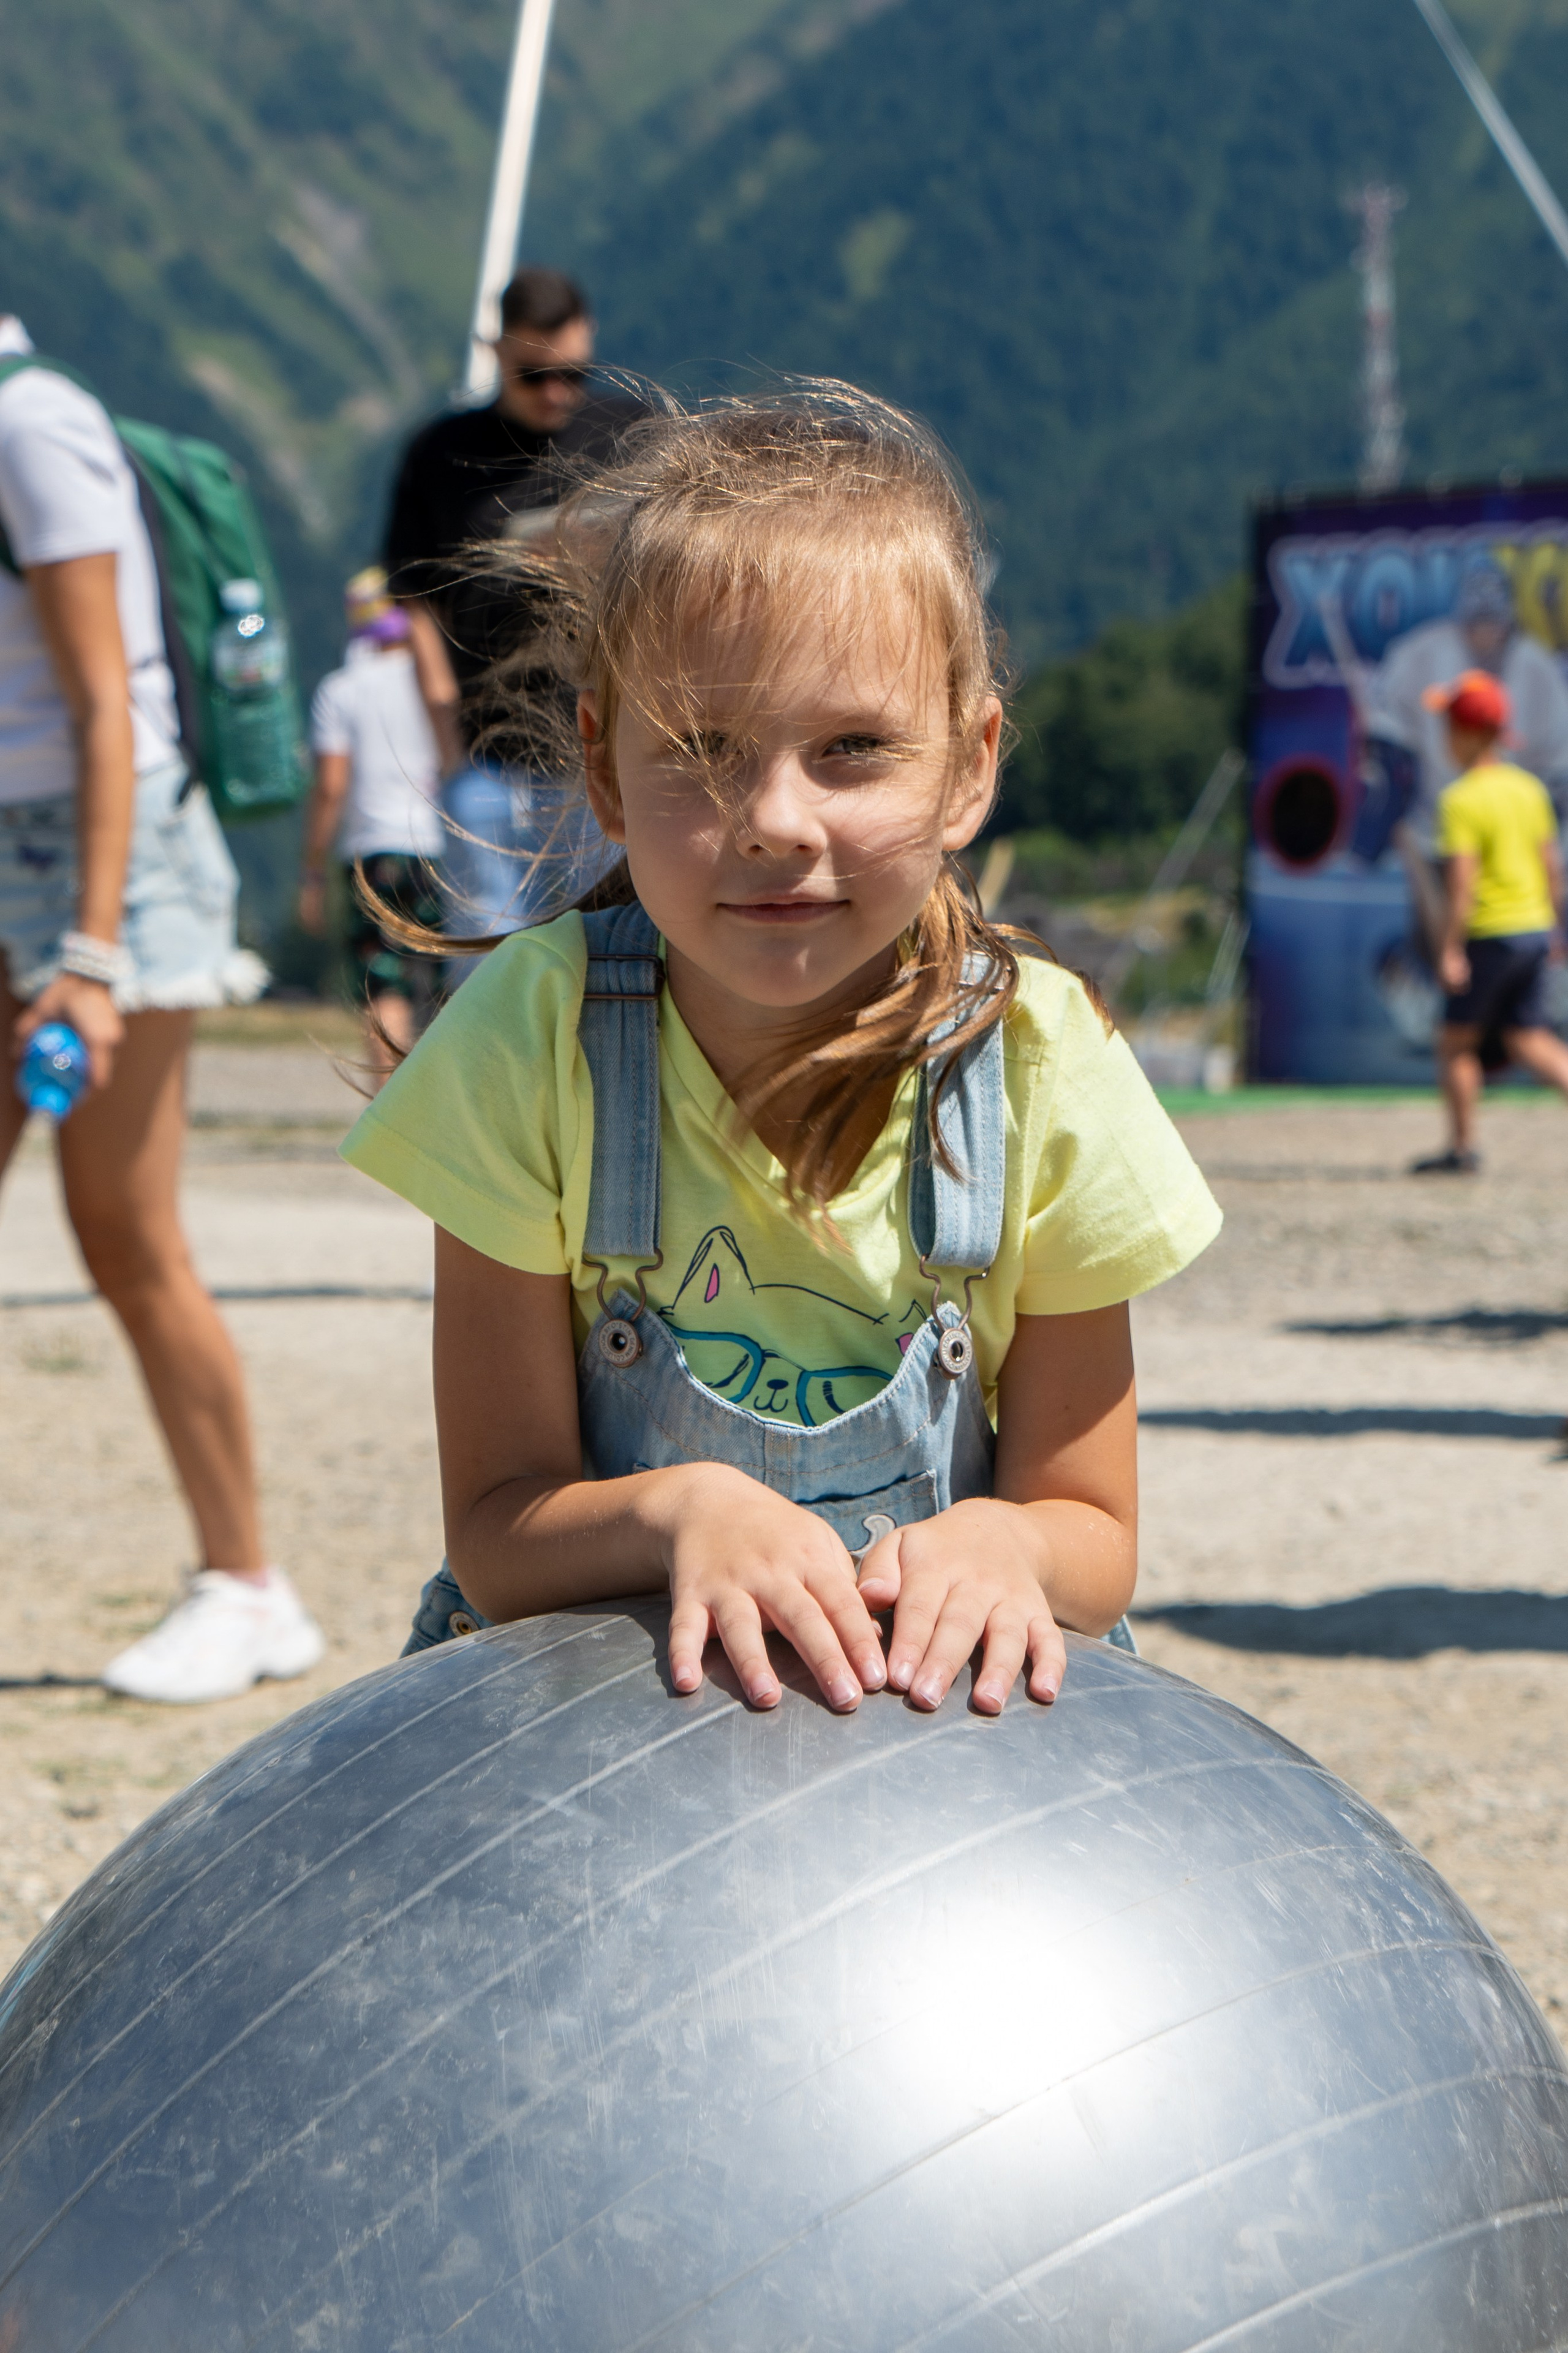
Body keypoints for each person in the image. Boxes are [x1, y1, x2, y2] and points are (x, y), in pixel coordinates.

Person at [342, 388, 1222, 1716]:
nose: (773, 820)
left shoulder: (1039, 1058)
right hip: (598, 1721)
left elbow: (1090, 1536)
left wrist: (1007, 1541)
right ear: (600, 764)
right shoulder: (531, 1037)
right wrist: (677, 1514)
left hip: (942, 1743)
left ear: (967, 767)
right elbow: (498, 1525)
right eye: (700, 752)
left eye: (851, 749)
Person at [0, 314, 323, 1700]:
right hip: (21, 853)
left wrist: (88, 951)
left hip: (101, 880)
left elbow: (106, 708)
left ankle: (247, 1586)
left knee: (124, 1232)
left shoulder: (32, 428)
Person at [382, 266, 642, 966]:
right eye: (534, 375)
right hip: (486, 759)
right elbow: (411, 596)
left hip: (607, 758)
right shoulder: (439, 453)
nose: (557, 392)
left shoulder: (634, 435)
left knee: (615, 958)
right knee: (485, 964)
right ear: (497, 353)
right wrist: (444, 734)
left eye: (575, 374)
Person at [1413, 668, 1568, 1174]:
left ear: (1468, 733)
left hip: (1490, 935)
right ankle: (1461, 1146)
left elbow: (1462, 886)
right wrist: (1557, 928)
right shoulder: (1529, 790)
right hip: (1532, 931)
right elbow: (1553, 869)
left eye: (1449, 724)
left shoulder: (1460, 800)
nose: (1444, 736)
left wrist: (1450, 949)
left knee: (1457, 1042)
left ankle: (1462, 1150)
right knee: (1528, 1039)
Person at [300, 567, 445, 1086]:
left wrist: (312, 869)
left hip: (372, 850)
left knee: (384, 982)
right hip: (439, 843)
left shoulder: (340, 690)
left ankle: (389, 1107)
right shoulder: (436, 679)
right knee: (438, 980)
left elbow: (332, 786)